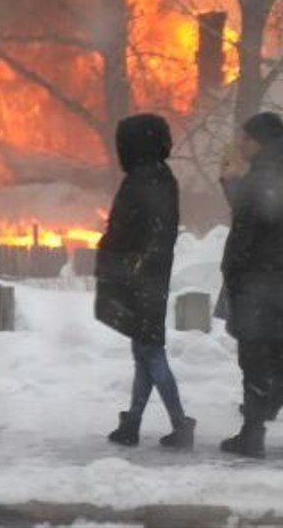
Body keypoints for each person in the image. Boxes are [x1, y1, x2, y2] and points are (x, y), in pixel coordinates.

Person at [218, 112, 283, 459]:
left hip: (257, 282)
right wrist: (234, 184)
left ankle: (252, 435)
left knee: (254, 358)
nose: (240, 144)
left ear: (259, 141)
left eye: (244, 139)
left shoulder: (264, 175)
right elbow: (266, 213)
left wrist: (231, 271)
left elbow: (248, 227)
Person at [96, 114, 196, 450]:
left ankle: (180, 423)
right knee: (144, 350)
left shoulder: (141, 180)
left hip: (139, 277)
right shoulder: (162, 177)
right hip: (151, 275)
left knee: (150, 352)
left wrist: (113, 253)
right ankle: (134, 423)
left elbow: (125, 230)